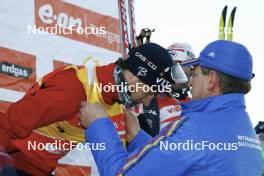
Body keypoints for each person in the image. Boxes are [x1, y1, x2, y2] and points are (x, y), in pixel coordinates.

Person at [80, 40, 263, 175]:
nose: (190, 82)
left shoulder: (196, 128)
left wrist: (99, 125)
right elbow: (182, 160)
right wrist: (138, 137)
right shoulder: (246, 130)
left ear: (212, 80)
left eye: (196, 74)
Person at [0, 43, 186, 175]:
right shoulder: (75, 89)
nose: (147, 103)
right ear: (133, 80)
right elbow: (6, 127)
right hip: (16, 165)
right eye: (151, 92)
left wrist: (137, 137)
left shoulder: (117, 105)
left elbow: (129, 167)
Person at [138, 42, 194, 136]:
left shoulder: (198, 103)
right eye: (168, 65)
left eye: (179, 64)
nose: (171, 70)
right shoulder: (148, 99)